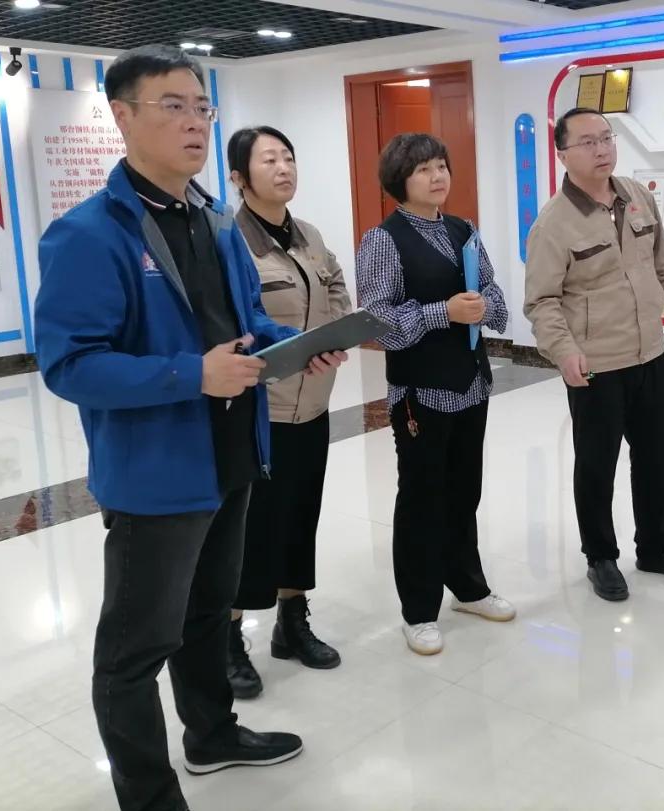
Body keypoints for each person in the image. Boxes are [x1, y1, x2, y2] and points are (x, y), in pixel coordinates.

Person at [35, 45, 342, 811]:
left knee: (209, 613)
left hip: (232, 454)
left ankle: (211, 733)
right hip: (156, 475)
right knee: (134, 651)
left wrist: (294, 344)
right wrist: (189, 375)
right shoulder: (89, 234)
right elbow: (70, 365)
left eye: (201, 106)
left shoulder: (214, 222)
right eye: (171, 105)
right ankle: (147, 794)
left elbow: (246, 323)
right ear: (123, 116)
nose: (194, 122)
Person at [524, 107, 664, 604]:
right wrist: (564, 351)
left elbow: (662, 256)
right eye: (588, 142)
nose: (602, 149)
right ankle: (600, 557)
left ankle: (655, 547)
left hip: (651, 353)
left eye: (606, 138)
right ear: (562, 154)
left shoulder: (636, 195)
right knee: (596, 464)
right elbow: (541, 302)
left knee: (658, 455)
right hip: (597, 365)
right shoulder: (552, 224)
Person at [357, 133, 515, 656]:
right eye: (424, 168)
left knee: (465, 491)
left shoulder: (462, 229)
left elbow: (490, 288)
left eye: (441, 165)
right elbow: (379, 322)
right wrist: (441, 312)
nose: (437, 176)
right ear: (399, 180)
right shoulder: (383, 240)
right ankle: (419, 610)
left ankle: (468, 588)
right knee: (422, 498)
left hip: (471, 382)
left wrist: (485, 306)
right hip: (420, 392)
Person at [223, 125, 351, 697]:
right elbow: (231, 324)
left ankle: (292, 623)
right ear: (239, 177)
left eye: (288, 158)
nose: (283, 168)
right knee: (250, 528)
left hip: (312, 405)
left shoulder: (310, 236)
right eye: (268, 160)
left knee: (301, 516)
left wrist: (334, 333)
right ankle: (228, 638)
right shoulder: (230, 242)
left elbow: (336, 290)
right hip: (259, 412)